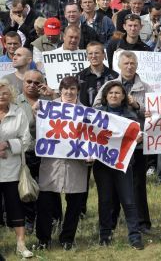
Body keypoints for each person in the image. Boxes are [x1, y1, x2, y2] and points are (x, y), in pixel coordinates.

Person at [36, 76, 89, 251]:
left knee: (74, 204)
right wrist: (36, 109)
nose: (68, 92)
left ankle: (67, 238)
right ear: (60, 90)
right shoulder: (48, 108)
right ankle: (43, 239)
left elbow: (92, 139)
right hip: (52, 164)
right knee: (45, 202)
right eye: (65, 89)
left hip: (76, 164)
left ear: (77, 91)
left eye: (73, 89)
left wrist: (91, 154)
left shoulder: (87, 113)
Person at [92, 81, 144, 249]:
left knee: (128, 200)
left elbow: (136, 136)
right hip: (102, 164)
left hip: (123, 164)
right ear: (105, 96)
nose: (114, 95)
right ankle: (105, 234)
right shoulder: (96, 114)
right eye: (111, 93)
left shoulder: (131, 116)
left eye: (118, 93)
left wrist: (137, 139)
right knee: (105, 200)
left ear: (123, 97)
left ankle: (135, 236)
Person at [0, 80, 33, 258]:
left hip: (12, 170)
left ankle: (21, 245)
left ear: (10, 95)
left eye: (4, 93)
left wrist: (8, 144)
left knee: (15, 207)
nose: (1, 96)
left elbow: (26, 140)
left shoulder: (18, 112)